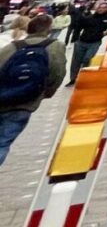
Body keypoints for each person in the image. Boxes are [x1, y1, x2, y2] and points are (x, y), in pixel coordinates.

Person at [0, 15, 66, 166]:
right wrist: (46, 92)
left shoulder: (13, 46)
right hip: (25, 101)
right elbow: (57, 72)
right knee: (3, 142)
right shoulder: (55, 46)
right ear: (49, 30)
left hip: (2, 96)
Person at [66, 1, 107, 85]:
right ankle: (73, 78)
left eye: (104, 7)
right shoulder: (89, 17)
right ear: (97, 8)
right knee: (76, 61)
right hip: (82, 41)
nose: (101, 9)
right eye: (100, 7)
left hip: (95, 42)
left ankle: (83, 76)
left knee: (87, 58)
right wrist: (75, 39)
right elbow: (79, 26)